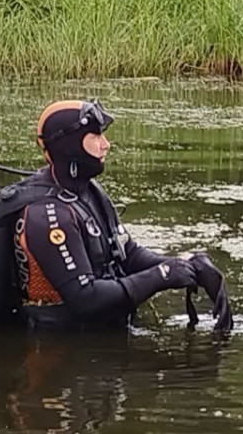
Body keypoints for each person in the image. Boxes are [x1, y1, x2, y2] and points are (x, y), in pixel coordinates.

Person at [14, 99, 231, 329]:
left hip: (99, 336)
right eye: (96, 137)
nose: (105, 144)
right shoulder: (47, 215)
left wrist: (188, 266)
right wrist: (162, 276)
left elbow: (128, 254)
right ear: (70, 145)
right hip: (56, 349)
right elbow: (85, 299)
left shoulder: (89, 191)